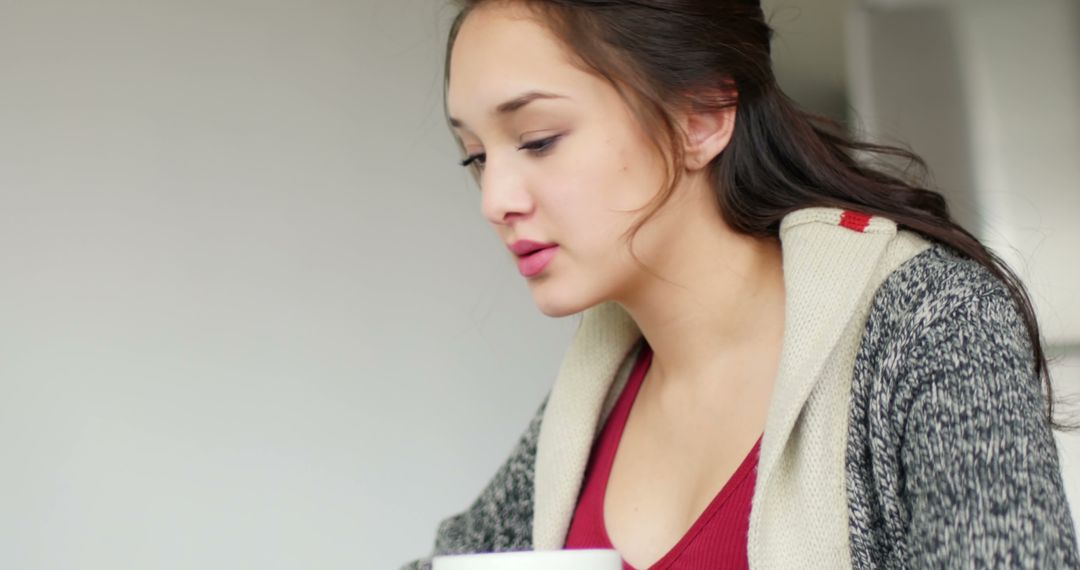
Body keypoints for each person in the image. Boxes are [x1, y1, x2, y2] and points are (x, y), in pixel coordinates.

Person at [402, 0, 1079, 568]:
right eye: (475, 155)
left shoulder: (928, 325)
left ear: (702, 115)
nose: (495, 198)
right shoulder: (596, 394)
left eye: (539, 138)